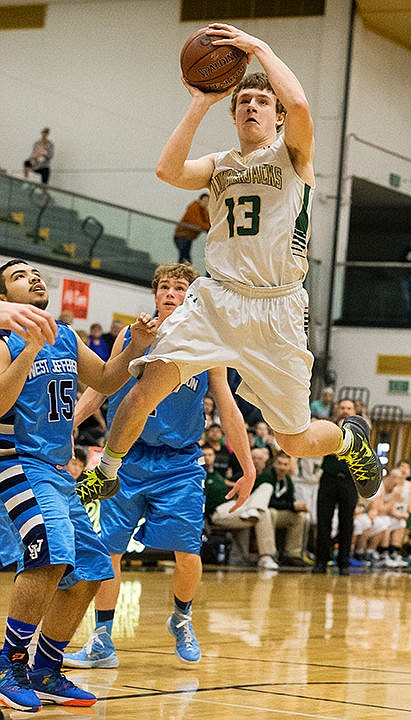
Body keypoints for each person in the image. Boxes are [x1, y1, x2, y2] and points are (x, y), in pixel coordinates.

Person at [80, 23, 381, 514]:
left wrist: (259, 49)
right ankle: (106, 473)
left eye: (262, 102)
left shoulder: (294, 156)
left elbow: (302, 107)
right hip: (217, 298)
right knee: (149, 381)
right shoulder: (219, 163)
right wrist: (200, 101)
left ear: (278, 117)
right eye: (243, 102)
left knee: (295, 441)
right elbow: (168, 171)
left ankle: (349, 439)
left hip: (277, 306)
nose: (251, 106)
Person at [65, 263, 254, 669]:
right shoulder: (131, 338)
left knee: (187, 554)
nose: (170, 292)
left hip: (180, 463)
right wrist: (71, 427)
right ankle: (101, 640)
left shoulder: (207, 343)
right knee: (109, 550)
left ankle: (182, 618)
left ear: (191, 296)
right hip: (126, 459)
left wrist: (247, 465)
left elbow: (227, 405)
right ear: (155, 294)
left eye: (180, 287)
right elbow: (99, 389)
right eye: (164, 287)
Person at [0, 258, 157, 712]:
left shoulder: (66, 335)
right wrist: (29, 348)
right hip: (16, 460)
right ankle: (8, 665)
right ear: (5, 299)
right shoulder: (5, 339)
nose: (32, 278)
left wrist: (133, 348)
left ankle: (46, 668)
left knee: (91, 567)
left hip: (56, 469)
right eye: (17, 276)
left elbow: (106, 379)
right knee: (50, 551)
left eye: (34, 272)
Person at [203, 444, 277, 569]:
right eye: (204, 455)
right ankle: (266, 556)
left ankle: (253, 508)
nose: (207, 458)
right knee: (263, 513)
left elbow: (231, 484)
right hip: (218, 512)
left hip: (234, 506)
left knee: (266, 487)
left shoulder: (217, 475)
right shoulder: (199, 476)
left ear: (214, 457)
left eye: (209, 455)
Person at [313, 399, 359, 576]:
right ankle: (321, 561)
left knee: (347, 522)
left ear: (354, 410)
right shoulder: (328, 426)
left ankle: (343, 562)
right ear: (337, 410)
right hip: (329, 478)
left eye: (349, 408)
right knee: (323, 520)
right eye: (343, 408)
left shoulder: (360, 430)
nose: (346, 410)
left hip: (350, 480)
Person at [173, 191, 210, 263]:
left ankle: (182, 272)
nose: (206, 203)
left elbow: (208, 222)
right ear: (199, 200)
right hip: (182, 236)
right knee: (185, 259)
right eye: (204, 200)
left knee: (184, 258)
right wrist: (209, 227)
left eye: (208, 201)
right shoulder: (194, 207)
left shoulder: (203, 211)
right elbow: (198, 223)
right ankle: (180, 272)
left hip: (187, 237)